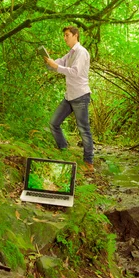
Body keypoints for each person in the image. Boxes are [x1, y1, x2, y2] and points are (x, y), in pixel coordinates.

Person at [43, 26, 94, 172]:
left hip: (81, 96)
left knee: (84, 129)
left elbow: (75, 72)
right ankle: (64, 149)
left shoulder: (81, 52)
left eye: (67, 35)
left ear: (75, 35)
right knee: (54, 123)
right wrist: (49, 62)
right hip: (69, 96)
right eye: (64, 35)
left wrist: (56, 66)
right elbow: (58, 64)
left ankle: (89, 163)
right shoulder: (70, 53)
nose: (65, 38)